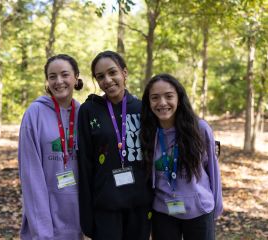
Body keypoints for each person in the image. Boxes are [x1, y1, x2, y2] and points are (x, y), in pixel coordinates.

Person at [77, 50, 152, 240]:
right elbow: (85, 163)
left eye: (112, 72)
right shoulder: (89, 110)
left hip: (139, 205)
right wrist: (87, 213)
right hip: (106, 205)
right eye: (100, 76)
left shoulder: (144, 108)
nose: (107, 80)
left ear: (124, 73)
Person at [140, 73, 223, 240]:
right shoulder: (147, 132)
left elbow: (213, 170)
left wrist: (216, 207)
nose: (162, 103)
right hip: (163, 212)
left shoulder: (199, 129)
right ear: (149, 103)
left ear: (179, 97)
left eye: (169, 96)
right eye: (155, 98)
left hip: (199, 210)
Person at [18, 54, 84, 239]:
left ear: (76, 77)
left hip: (76, 217)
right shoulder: (34, 113)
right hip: (45, 216)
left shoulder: (83, 114)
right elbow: (31, 176)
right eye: (52, 76)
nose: (59, 81)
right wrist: (42, 230)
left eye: (64, 74)